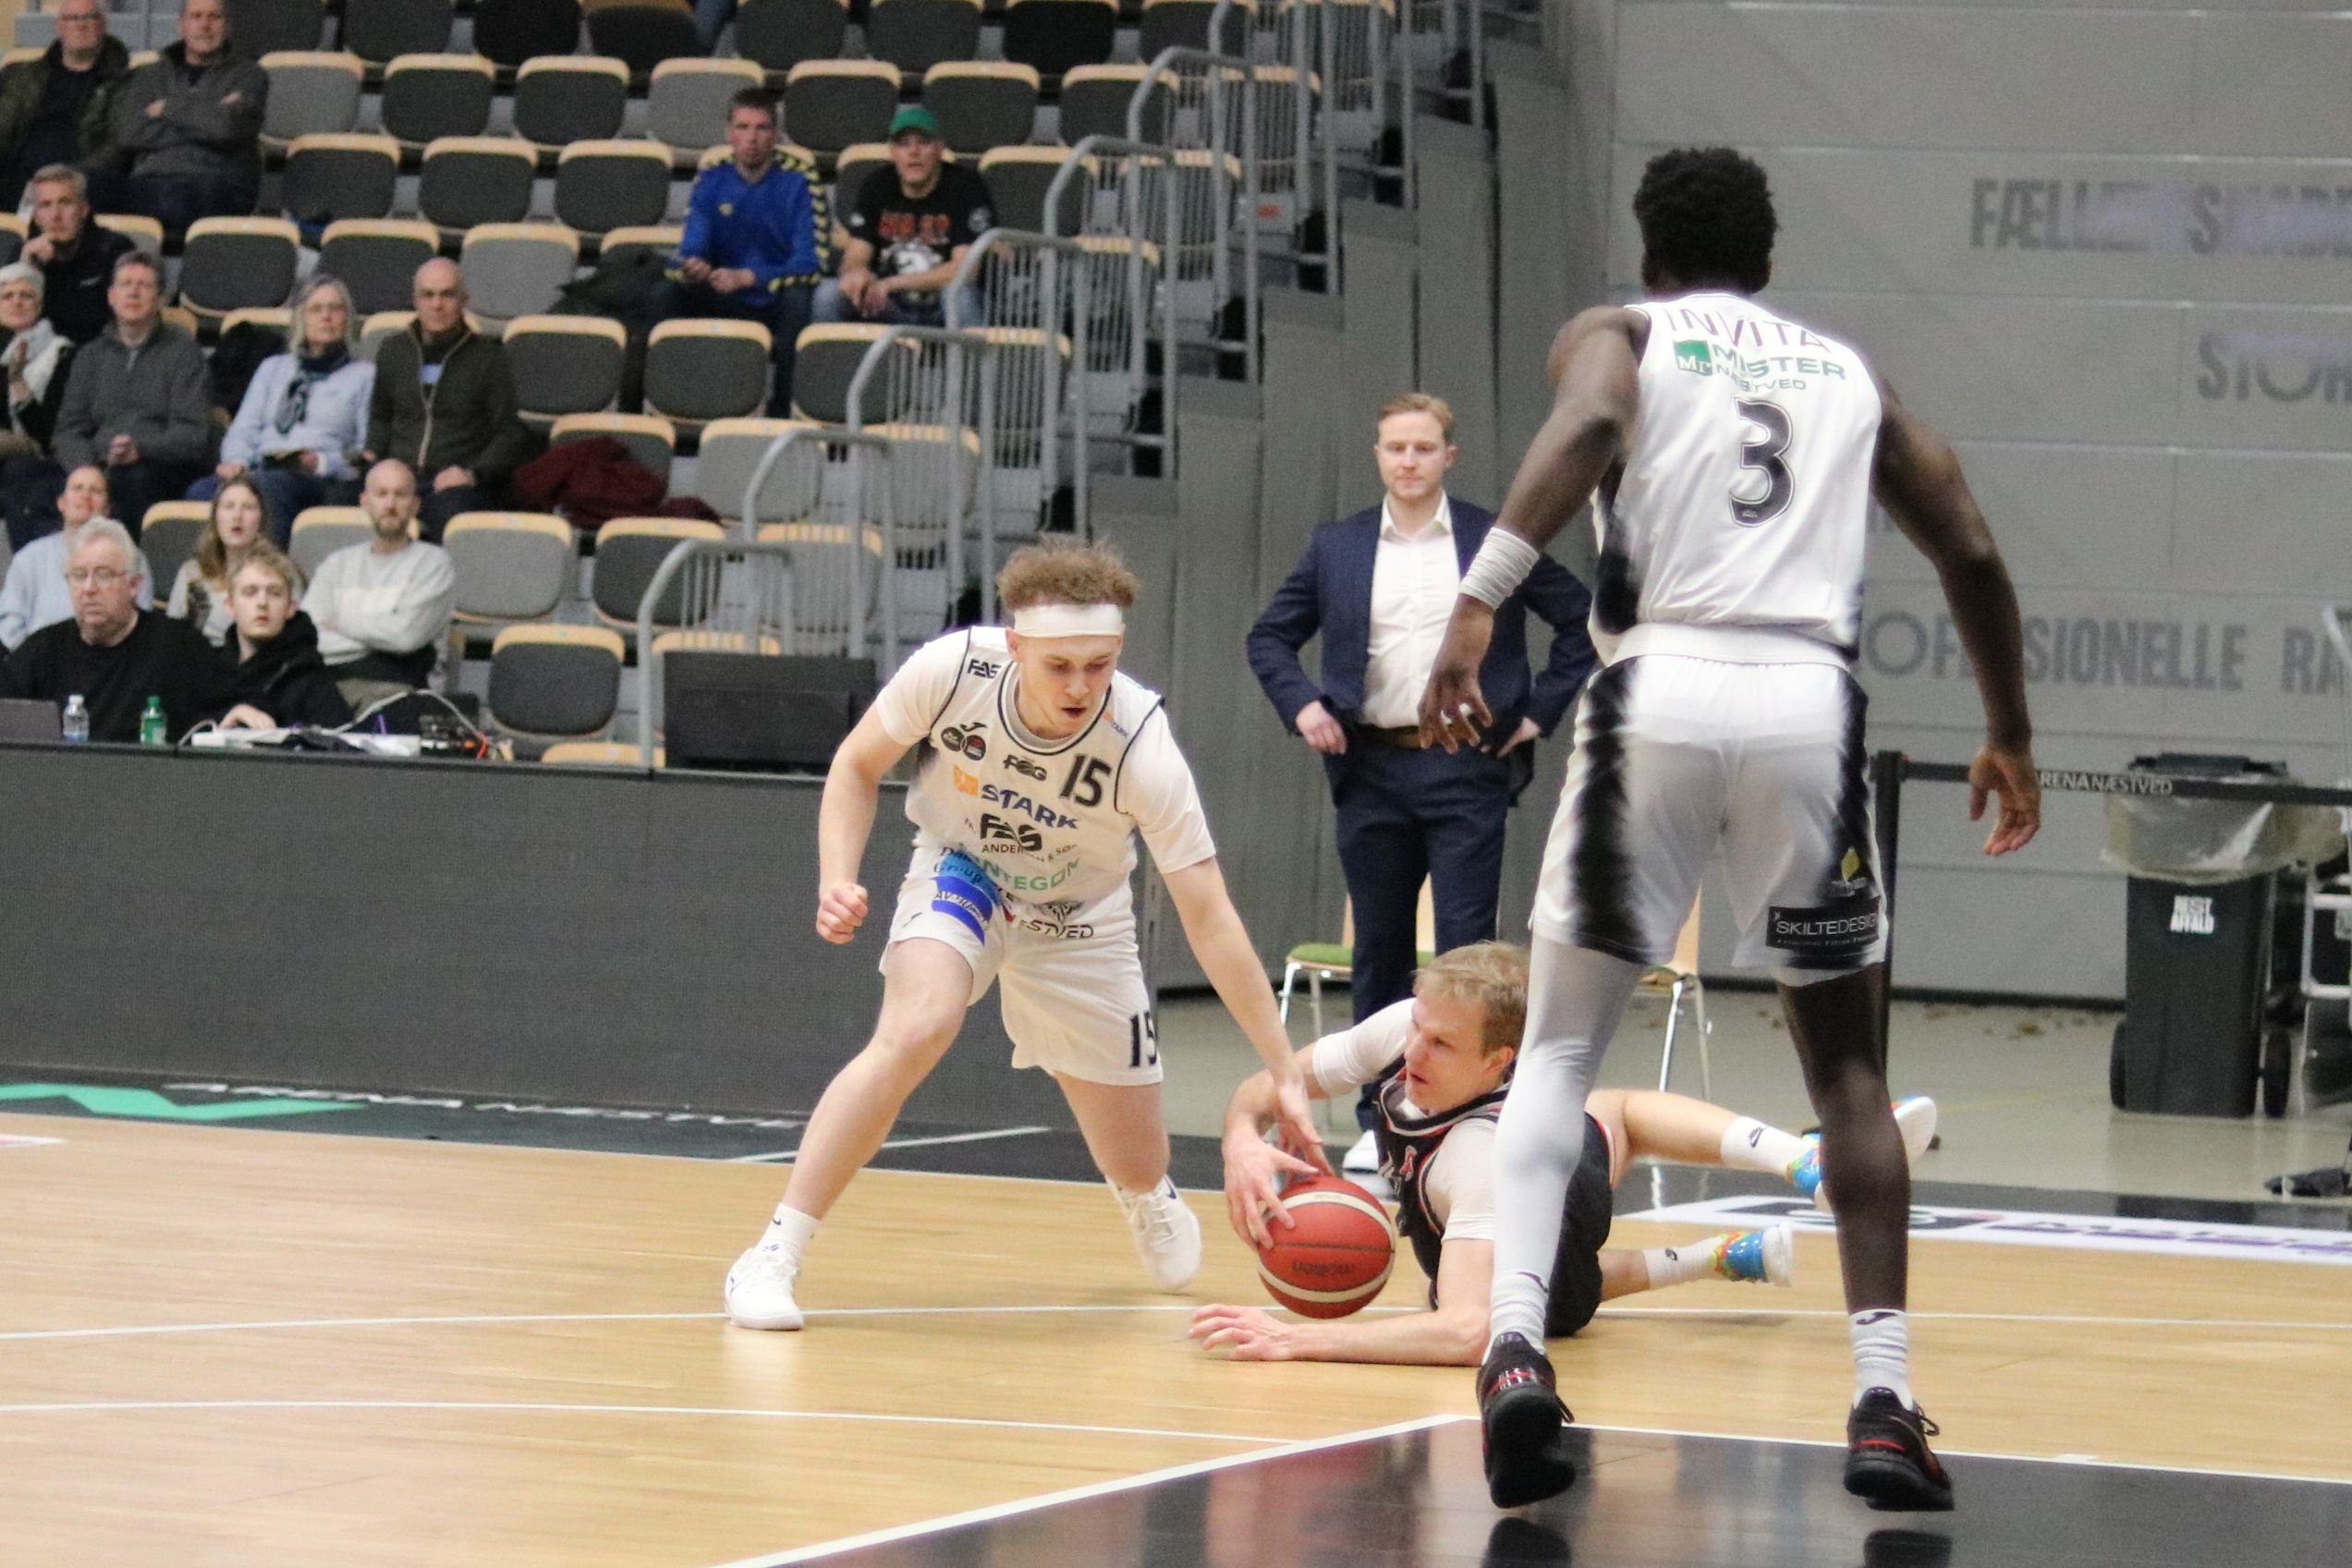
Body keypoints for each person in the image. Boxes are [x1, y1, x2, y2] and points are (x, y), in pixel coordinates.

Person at [1416, 147, 2041, 1513]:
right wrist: (2011, 733)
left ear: (1649, 253)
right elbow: (1975, 552)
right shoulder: (1845, 373)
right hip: (1808, 701)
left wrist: (1479, 599)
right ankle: (1883, 1402)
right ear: (1766, 258)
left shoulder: (1623, 332)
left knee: (1566, 1043)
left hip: (1662, 686)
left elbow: (1584, 427)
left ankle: (1515, 1347)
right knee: (1851, 1082)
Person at [723, 539, 1329, 1332]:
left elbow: (1209, 915)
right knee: (916, 1025)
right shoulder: (952, 671)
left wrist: (1282, 1067)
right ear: (1016, 648)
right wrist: (837, 874)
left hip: (1080, 914)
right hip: (963, 869)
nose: (1080, 685)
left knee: (1137, 1157)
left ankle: (1142, 1192)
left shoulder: (1140, 743)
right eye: (1059, 666)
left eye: (1099, 664)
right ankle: (773, 1252)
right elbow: (856, 765)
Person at [1194, 941, 1941, 1366]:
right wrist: (1239, 1136)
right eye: (1417, 1026)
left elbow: (1468, 1334)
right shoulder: (1409, 1026)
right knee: (1560, 1291)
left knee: (1603, 1117)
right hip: (1534, 1267)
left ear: (1500, 1061)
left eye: (1441, 1042)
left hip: (1550, 1189)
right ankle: (1730, 1242)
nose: (1412, 1047)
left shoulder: (1480, 1159)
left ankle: (1813, 1167)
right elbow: (1269, 1084)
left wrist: (1302, 1338)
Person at [1247, 393, 1596, 1176]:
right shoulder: (1336, 546)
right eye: (1394, 447)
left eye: (1423, 448)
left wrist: (1536, 713)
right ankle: (1384, 1116)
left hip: (1464, 762)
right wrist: (1302, 704)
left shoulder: (1489, 540)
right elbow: (1268, 635)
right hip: (1370, 765)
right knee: (1378, 946)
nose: (1407, 461)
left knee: (1468, 947)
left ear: (1449, 456)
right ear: (1376, 454)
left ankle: (1466, 1110)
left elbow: (1581, 621)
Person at [652, 88, 823, 419]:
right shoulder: (712, 175)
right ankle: (667, 402)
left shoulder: (801, 178)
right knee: (665, 294)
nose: (752, 138)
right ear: (728, 132)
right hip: (724, 293)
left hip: (774, 296)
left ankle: (782, 410)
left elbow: (811, 262)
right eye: (743, 128)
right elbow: (691, 245)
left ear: (776, 134)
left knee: (798, 298)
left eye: (762, 128)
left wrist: (750, 277)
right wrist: (693, 266)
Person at [0, 516, 234, 739]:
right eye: (79, 576)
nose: (89, 588)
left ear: (133, 585)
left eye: (103, 575)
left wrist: (242, 712)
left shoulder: (179, 646)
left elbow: (239, 702)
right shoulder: (43, 650)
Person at [364, 259, 531, 543]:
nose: (437, 305)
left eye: (447, 295)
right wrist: (372, 458)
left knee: (452, 513)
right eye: (428, 295)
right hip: (398, 479)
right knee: (339, 499)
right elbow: (381, 416)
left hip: (453, 484)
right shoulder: (393, 350)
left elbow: (510, 433)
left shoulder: (489, 357)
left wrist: (471, 473)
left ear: (463, 301)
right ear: (415, 300)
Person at [194, 273, 372, 542]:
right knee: (201, 491)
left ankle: (268, 573)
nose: (326, 317)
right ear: (300, 317)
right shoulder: (273, 368)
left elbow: (365, 449)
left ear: (348, 318)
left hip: (318, 479)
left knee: (268, 489)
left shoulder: (365, 375)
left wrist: (322, 463)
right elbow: (245, 428)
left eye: (335, 309)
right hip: (260, 467)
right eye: (316, 309)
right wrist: (236, 461)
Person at [50, 249, 213, 538]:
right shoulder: (90, 355)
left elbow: (193, 435)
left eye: (144, 286)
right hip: (96, 463)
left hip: (156, 467)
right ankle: (53, 568)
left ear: (161, 298)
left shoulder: (183, 352)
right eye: (126, 285)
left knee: (131, 482)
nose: (133, 293)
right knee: (25, 478)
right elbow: (68, 429)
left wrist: (141, 448)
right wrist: (88, 472)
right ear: (111, 296)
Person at [84, 0, 264, 240]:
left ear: (227, 26)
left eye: (214, 17)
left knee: (201, 192)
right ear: (181, 26)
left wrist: (168, 107)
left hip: (213, 186)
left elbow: (227, 127)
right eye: (196, 16)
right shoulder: (148, 75)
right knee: (78, 184)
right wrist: (210, 113)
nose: (205, 25)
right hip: (147, 184)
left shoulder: (250, 75)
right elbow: (131, 132)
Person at [815, 105, 990, 329]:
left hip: (942, 305)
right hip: (887, 305)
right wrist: (856, 274)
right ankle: (828, 364)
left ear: (940, 148)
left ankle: (970, 365)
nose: (913, 152)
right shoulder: (876, 185)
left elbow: (966, 271)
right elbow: (857, 252)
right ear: (892, 151)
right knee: (828, 293)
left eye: (923, 142)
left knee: (961, 296)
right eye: (904, 144)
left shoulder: (966, 187)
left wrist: (891, 283)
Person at [302, 458, 453, 688]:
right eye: (381, 494)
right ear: (365, 502)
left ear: (415, 505)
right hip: (332, 684)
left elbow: (406, 637)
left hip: (402, 691)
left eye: (400, 495)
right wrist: (381, 641)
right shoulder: (337, 564)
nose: (390, 504)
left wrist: (341, 623)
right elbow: (307, 636)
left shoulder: (433, 564)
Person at [0, 463, 150, 648]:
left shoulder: (132, 558)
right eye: (78, 488)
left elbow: (142, 623)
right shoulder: (29, 558)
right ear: (61, 503)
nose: (85, 495)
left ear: (107, 509)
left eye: (95, 490)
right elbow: (9, 624)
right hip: (41, 666)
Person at [0, 0, 128, 210]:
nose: (80, 25)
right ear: (59, 26)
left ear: (103, 24)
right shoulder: (20, 75)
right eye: (72, 18)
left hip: (76, 180)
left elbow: (117, 146)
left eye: (88, 17)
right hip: (14, 175)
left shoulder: (125, 82)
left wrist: (70, 177)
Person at [217, 542, 351, 729]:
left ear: (290, 608)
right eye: (250, 592)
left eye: (274, 593)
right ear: (230, 605)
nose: (262, 603)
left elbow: (338, 751)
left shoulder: (312, 681)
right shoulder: (209, 673)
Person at [19, 164, 136, 346]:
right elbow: (13, 326)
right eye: (46, 205)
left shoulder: (115, 250)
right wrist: (27, 269)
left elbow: (119, 322)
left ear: (83, 209)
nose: (56, 215)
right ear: (36, 215)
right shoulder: (24, 253)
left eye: (65, 203)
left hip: (96, 357)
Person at [166, 473, 266, 645]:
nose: (237, 516)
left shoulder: (280, 574)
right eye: (228, 507)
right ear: (215, 519)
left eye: (248, 507)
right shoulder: (192, 573)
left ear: (261, 520)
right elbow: (171, 636)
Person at [0, 263, 72, 468]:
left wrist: (17, 381)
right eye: (7, 296)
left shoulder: (61, 352)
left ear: (39, 304)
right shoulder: (3, 346)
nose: (17, 302)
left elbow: (47, 431)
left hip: (38, 446)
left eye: (26, 295)